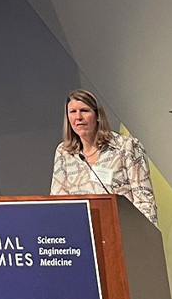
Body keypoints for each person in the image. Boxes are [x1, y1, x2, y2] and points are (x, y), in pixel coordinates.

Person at [51, 89, 158, 225]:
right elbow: (58, 202)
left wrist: (145, 234)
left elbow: (145, 200)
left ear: (97, 115)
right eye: (73, 112)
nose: (78, 117)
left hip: (123, 229)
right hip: (82, 229)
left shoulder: (126, 146)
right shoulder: (64, 152)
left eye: (84, 110)